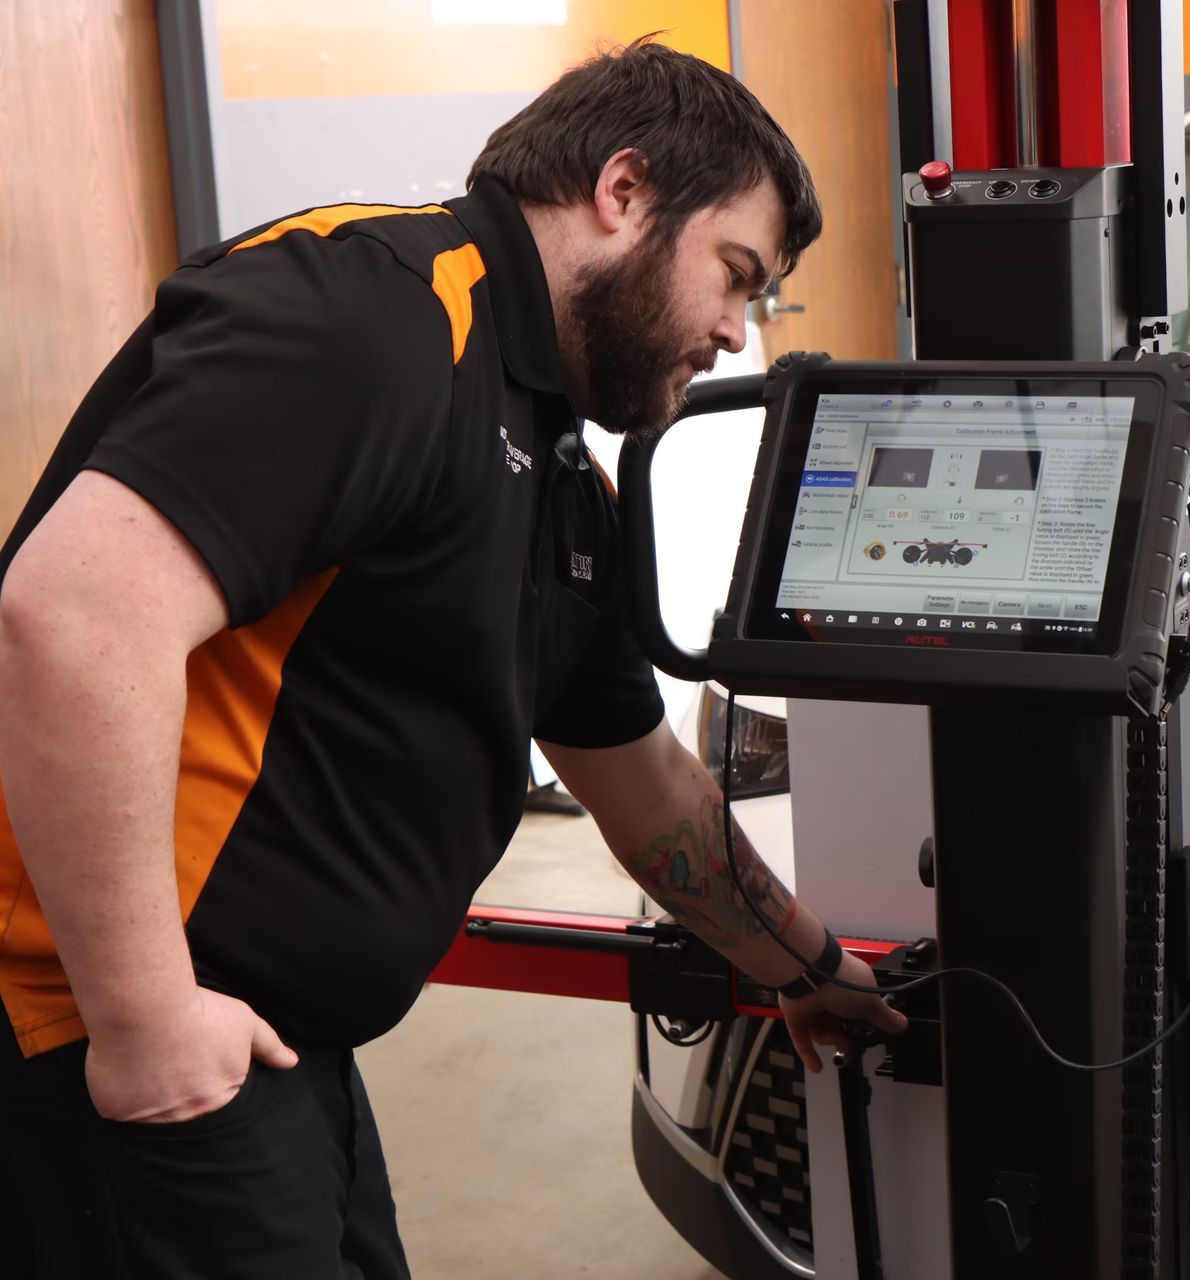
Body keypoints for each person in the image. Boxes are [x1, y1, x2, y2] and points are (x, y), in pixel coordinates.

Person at [0, 38, 905, 1279]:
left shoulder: (553, 474)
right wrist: (146, 1021)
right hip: (123, 1042)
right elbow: (72, 612)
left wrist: (810, 966)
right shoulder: (377, 314)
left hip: (275, 1048)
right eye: (734, 273)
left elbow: (649, 794)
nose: (737, 333)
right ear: (624, 190)